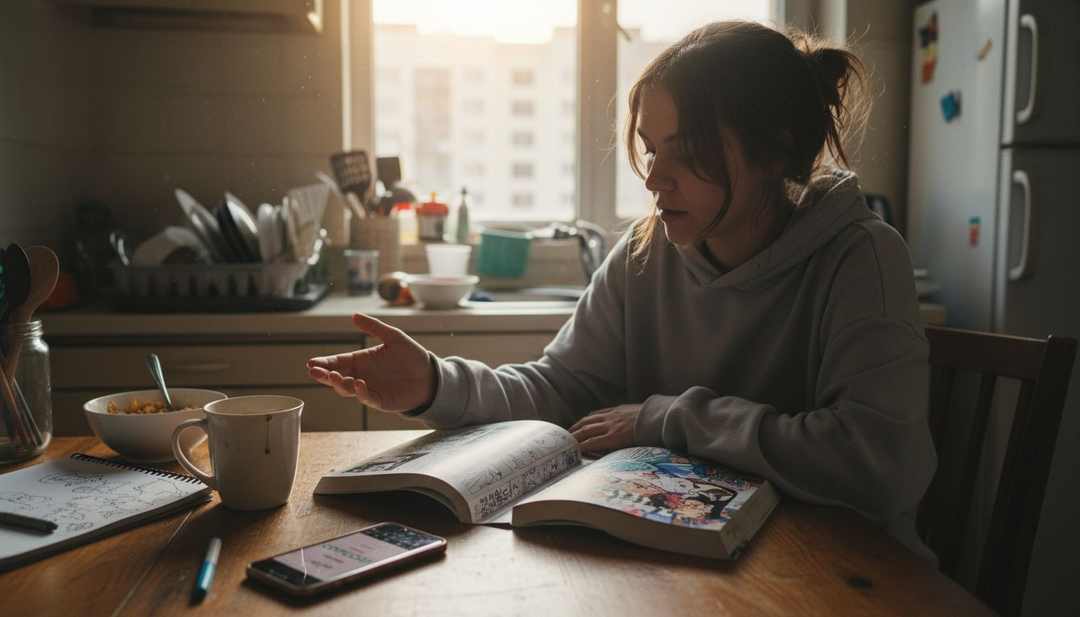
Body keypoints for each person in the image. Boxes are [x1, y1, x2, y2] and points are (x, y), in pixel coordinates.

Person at [308, 20, 937, 562]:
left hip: (842, 575)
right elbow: (559, 391)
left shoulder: (860, 256)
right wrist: (435, 384)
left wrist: (664, 419)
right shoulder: (645, 252)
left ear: (775, 149)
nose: (655, 180)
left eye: (685, 154)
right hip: (684, 566)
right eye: (650, 150)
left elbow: (878, 466)